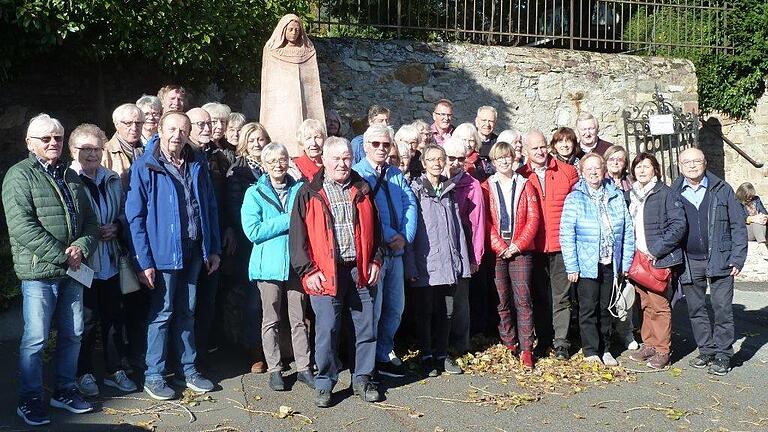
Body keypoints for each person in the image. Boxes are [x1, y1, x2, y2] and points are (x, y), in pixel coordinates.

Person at [3, 114, 99, 425]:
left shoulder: (69, 176)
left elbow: (90, 223)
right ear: (29, 143)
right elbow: (22, 228)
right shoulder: (19, 176)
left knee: (73, 334)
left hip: (71, 271)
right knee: (35, 339)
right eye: (46, 138)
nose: (53, 142)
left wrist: (82, 247)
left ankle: (64, 390)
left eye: (57, 137)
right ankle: (29, 399)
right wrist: (64, 256)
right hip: (39, 275)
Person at [125, 111, 221, 400]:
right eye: (171, 129)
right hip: (163, 254)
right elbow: (134, 216)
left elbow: (209, 207)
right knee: (162, 313)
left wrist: (212, 247)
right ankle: (154, 374)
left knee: (187, 312)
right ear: (160, 130)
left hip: (193, 251)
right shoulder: (146, 166)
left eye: (182, 129)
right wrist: (143, 261)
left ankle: (187, 369)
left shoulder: (196, 163)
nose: (176, 135)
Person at [290, 137, 383, 407]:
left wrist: (376, 260)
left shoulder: (363, 188)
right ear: (325, 160)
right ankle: (325, 382)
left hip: (359, 270)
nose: (343, 163)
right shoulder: (308, 192)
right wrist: (307, 271)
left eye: (346, 158)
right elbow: (297, 239)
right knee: (327, 328)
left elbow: (376, 231)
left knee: (366, 326)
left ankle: (363, 378)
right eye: (337, 159)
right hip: (324, 272)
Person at [69, 124, 137, 398]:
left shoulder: (111, 178)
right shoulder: (68, 180)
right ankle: (82, 372)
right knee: (85, 321)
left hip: (110, 261)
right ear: (73, 151)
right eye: (84, 149)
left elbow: (123, 212)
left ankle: (114, 370)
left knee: (114, 317)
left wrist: (117, 227)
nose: (91, 154)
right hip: (82, 265)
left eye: (96, 148)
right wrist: (89, 235)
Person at [241, 142, 314, 391]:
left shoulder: (300, 189)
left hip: (296, 263)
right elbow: (253, 231)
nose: (278, 165)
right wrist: (287, 220)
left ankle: (304, 366)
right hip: (268, 266)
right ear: (264, 165)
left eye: (282, 160)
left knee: (299, 318)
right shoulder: (253, 193)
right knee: (270, 319)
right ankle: (274, 368)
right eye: (272, 162)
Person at [672, 148, 747, 376]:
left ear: (705, 163)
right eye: (687, 162)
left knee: (722, 308)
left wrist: (738, 257)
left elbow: (738, 225)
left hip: (721, 258)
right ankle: (707, 349)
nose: (692, 165)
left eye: (696, 161)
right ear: (679, 165)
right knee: (695, 309)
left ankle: (724, 354)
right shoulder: (674, 191)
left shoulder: (722, 189)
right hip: (689, 260)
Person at [353, 124, 418, 378]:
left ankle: (385, 348)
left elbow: (409, 202)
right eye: (376, 144)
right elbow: (368, 214)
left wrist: (405, 235)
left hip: (398, 252)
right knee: (375, 308)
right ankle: (370, 360)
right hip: (376, 253)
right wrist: (391, 235)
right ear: (366, 146)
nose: (381, 148)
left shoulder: (395, 174)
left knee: (396, 306)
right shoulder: (358, 174)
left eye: (386, 145)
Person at [560, 153, 635, 366]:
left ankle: (606, 349)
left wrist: (625, 263)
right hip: (586, 264)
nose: (593, 172)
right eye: (589, 169)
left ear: (604, 171)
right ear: (582, 173)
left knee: (606, 308)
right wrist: (572, 265)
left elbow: (627, 230)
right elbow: (567, 234)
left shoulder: (615, 195)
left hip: (610, 262)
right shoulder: (575, 198)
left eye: (597, 168)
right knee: (588, 308)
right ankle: (591, 350)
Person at [405, 144, 471, 377]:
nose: (436, 163)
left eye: (440, 159)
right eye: (431, 159)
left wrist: (462, 261)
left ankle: (442, 355)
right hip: (426, 262)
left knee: (447, 312)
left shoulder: (449, 189)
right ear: (423, 164)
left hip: (449, 262)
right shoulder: (415, 190)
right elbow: (411, 230)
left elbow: (458, 229)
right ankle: (426, 355)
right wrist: (410, 264)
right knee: (425, 312)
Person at [517, 129, 579, 360]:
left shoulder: (567, 172)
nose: (541, 151)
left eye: (543, 146)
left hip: (562, 245)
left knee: (562, 296)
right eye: (535, 148)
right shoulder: (521, 176)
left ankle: (561, 342)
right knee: (540, 296)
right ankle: (543, 339)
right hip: (535, 246)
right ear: (526, 151)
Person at [482, 141, 540, 368]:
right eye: (499, 158)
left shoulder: (526, 185)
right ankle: (509, 341)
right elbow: (485, 221)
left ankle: (526, 348)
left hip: (520, 249)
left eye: (507, 157)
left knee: (523, 299)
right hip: (498, 249)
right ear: (493, 162)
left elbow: (534, 219)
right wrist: (498, 245)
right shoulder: (486, 186)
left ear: (513, 159)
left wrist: (518, 245)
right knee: (501, 298)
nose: (504, 161)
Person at [626, 153, 687, 369]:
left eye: (647, 166)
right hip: (638, 259)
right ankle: (649, 344)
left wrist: (656, 250)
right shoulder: (631, 194)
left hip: (658, 259)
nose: (642, 170)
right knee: (645, 304)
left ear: (655, 170)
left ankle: (663, 350)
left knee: (659, 304)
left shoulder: (666, 194)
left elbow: (678, 226)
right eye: (638, 167)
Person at [187, 106, 234, 364]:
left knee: (208, 299)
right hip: (193, 240)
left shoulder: (216, 156)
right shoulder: (186, 157)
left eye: (209, 124)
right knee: (188, 303)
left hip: (213, 236)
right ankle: (186, 357)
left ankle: (202, 354)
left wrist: (226, 226)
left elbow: (222, 196)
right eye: (200, 125)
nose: (207, 129)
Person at [225, 122, 269, 372]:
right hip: (249, 244)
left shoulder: (274, 165)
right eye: (251, 140)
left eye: (261, 139)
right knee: (253, 300)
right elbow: (234, 208)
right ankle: (254, 348)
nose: (256, 144)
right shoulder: (237, 171)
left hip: (274, 243)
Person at [443, 136, 486, 356]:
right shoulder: (435, 182)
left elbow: (477, 223)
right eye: (451, 158)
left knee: (460, 299)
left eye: (460, 158)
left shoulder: (472, 185)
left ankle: (460, 345)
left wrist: (476, 255)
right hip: (440, 250)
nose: (455, 163)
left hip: (463, 249)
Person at [260, 14, 325, 156]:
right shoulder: (272, 51)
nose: (294, 32)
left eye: (297, 29)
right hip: (281, 103)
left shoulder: (308, 51)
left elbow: (311, 84)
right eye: (290, 29)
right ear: (283, 30)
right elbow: (270, 84)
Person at [102, 103, 145, 187]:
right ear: (116, 125)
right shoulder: (105, 153)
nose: (134, 128)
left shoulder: (149, 150)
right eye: (128, 123)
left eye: (138, 123)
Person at [735, 182, 768, 249]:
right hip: (747, 230)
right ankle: (762, 244)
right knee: (757, 223)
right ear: (742, 194)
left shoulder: (756, 199)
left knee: (759, 223)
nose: (750, 198)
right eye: (748, 196)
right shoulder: (737, 202)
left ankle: (762, 243)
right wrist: (753, 218)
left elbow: (764, 212)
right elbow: (740, 218)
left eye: (751, 196)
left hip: (760, 227)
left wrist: (765, 218)